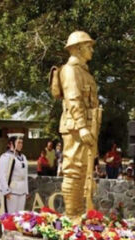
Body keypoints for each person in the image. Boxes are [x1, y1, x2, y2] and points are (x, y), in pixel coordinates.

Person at [54, 30, 100, 218]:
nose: (92, 50)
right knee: (73, 170)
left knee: (84, 171)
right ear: (79, 48)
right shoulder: (71, 70)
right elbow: (73, 99)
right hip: (76, 127)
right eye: (89, 46)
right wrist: (81, 126)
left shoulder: (84, 72)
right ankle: (72, 215)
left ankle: (80, 212)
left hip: (87, 127)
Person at [0, 136, 29, 214]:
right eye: (18, 142)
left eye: (22, 143)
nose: (21, 145)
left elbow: (25, 175)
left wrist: (26, 191)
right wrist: (6, 191)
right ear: (11, 144)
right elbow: (2, 174)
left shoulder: (23, 157)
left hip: (21, 191)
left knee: (20, 215)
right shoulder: (5, 157)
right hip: (11, 191)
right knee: (10, 216)